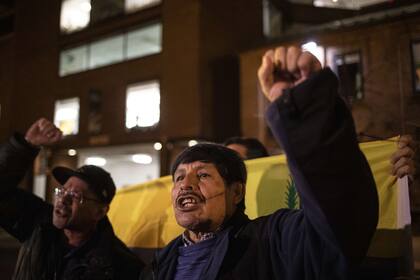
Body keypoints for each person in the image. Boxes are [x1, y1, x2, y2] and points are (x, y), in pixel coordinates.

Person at [140, 46, 379, 279]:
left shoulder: (273, 241)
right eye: (179, 177)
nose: (186, 184)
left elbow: (339, 226)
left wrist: (306, 108)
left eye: (202, 175)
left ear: (236, 192)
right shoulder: (161, 262)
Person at [0, 118, 144, 279]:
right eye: (62, 191)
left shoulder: (121, 266)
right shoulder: (39, 226)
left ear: (100, 211)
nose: (63, 199)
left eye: (76, 195)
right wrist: (26, 146)